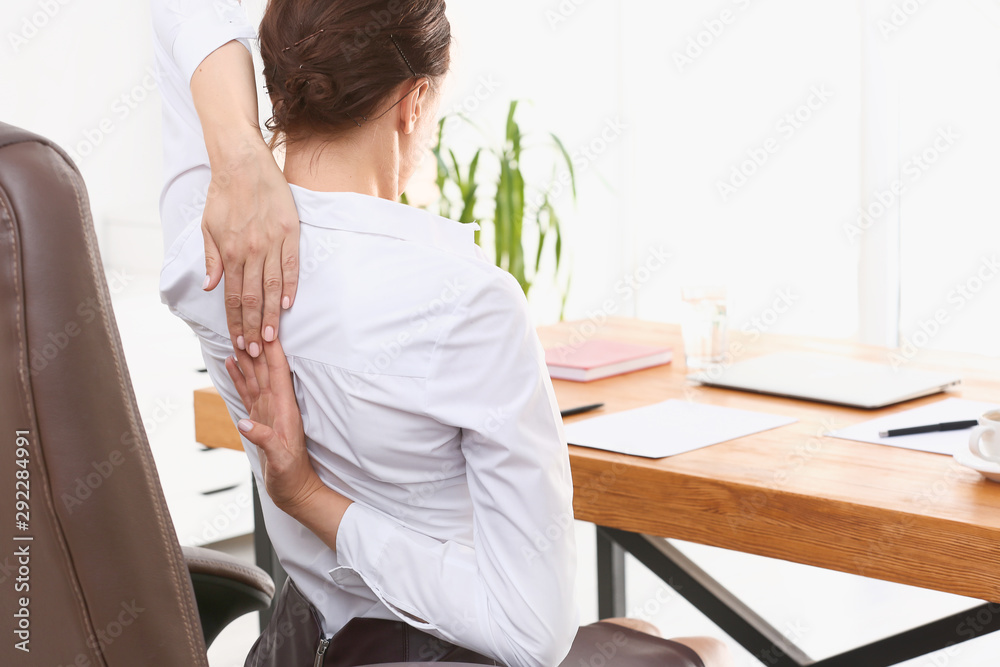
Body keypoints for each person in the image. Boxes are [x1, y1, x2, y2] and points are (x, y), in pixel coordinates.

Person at [151, 1, 733, 665]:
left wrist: (237, 153)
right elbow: (530, 635)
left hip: (316, 644)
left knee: (639, 630)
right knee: (704, 648)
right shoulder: (467, 302)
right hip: (433, 652)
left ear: (279, 86)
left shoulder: (204, 258)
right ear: (414, 101)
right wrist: (311, 497)